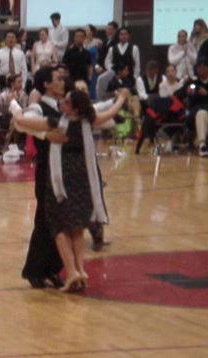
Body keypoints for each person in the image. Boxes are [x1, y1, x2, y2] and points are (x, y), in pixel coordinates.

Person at [15, 88, 128, 292]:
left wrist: (16, 109)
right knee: (77, 227)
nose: (61, 103)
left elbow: (24, 123)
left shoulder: (57, 122)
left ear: (74, 108)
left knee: (58, 226)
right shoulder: (88, 121)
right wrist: (121, 98)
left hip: (61, 180)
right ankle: (80, 270)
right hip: (83, 178)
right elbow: (110, 113)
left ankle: (72, 272)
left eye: (66, 102)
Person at [18, 67, 67, 288]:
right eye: (58, 79)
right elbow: (23, 123)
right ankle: (35, 270)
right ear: (46, 84)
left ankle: (53, 269)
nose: (63, 81)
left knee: (62, 220)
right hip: (47, 169)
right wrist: (46, 134)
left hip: (65, 169)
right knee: (45, 220)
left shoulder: (64, 106)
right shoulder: (38, 107)